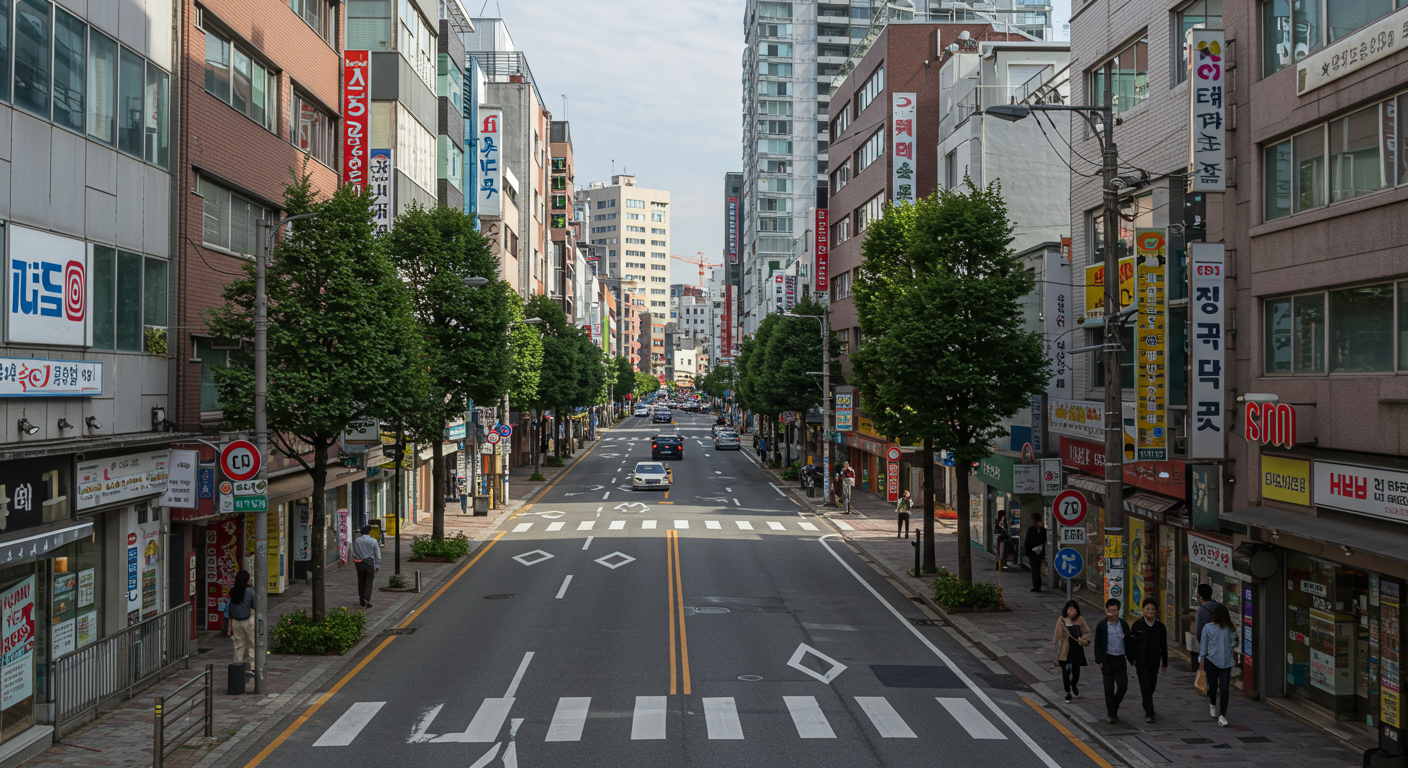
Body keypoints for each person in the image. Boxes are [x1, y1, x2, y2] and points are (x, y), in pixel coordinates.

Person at [1127, 598, 1169, 723]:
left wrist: (1165, 663)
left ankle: (1147, 702)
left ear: (1156, 611)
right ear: (1143, 610)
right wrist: (1131, 658)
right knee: (1145, 686)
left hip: (1154, 662)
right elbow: (1131, 643)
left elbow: (1164, 646)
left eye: (1153, 609)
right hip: (1141, 662)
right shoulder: (1137, 625)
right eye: (1148, 609)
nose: (1150, 611)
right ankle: (1150, 713)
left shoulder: (1160, 627)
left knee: (1151, 686)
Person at [1093, 597, 1130, 724]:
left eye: (1113, 611)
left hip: (1120, 659)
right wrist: (1100, 659)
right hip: (1107, 659)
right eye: (1109, 610)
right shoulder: (1102, 626)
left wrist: (1131, 658)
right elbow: (1098, 644)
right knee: (1108, 688)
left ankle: (1114, 705)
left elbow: (1129, 642)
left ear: (1118, 611)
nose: (1111, 613)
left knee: (1123, 686)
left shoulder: (1123, 624)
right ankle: (1112, 714)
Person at [1200, 603, 1237, 727]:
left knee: (1224, 688)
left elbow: (1233, 642)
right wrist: (1202, 659)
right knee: (1214, 686)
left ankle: (1222, 715)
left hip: (1225, 662)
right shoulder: (1208, 628)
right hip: (1212, 660)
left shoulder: (1229, 629)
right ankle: (1212, 702)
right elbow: (1204, 645)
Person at [1053, 600, 1091, 703]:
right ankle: (1067, 692)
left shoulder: (1080, 619)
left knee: (1076, 671)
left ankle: (1073, 684)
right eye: (1069, 609)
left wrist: (1083, 638)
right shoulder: (1061, 620)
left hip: (1077, 648)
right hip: (1065, 649)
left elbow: (1087, 631)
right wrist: (1057, 656)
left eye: (1073, 609)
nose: (1071, 611)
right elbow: (1057, 637)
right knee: (1065, 671)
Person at [225, 570, 256, 676]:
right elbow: (255, 605)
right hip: (248, 621)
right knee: (252, 644)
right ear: (247, 580)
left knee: (238, 645)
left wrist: (229, 628)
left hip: (235, 622)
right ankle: (252, 666)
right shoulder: (250, 591)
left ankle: (237, 665)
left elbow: (230, 609)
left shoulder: (233, 591)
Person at [1192, 583, 1220, 672]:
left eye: (1197, 593)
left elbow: (1198, 631)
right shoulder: (1219, 606)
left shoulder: (1202, 609)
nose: (1196, 595)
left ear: (1200, 596)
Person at [351, 525, 381, 608]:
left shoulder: (357, 540)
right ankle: (366, 599)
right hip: (369, 562)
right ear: (369, 532)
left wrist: (355, 559)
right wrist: (377, 565)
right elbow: (377, 554)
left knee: (361, 580)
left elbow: (353, 552)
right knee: (369, 581)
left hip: (359, 562)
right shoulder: (373, 541)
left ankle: (361, 598)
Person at [1023, 513, 1047, 591]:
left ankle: (1037, 586)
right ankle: (1037, 585)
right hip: (1036, 552)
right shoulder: (1037, 529)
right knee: (1036, 569)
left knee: (1035, 570)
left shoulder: (1035, 529)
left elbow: (1028, 541)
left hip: (1034, 553)